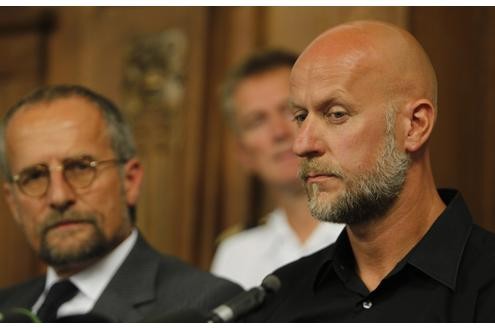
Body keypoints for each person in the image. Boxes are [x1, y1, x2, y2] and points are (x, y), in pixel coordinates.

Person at [244, 21, 495, 322]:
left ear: (415, 126)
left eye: (336, 114)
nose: (302, 144)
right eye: (300, 116)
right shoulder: (280, 298)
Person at [0, 85, 242, 322]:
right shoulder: (8, 306)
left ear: (130, 181)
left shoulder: (205, 306)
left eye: (81, 168)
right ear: (12, 202)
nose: (59, 197)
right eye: (34, 177)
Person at [210, 50, 344, 289]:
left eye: (290, 111)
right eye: (257, 121)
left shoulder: (369, 235)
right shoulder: (236, 255)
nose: (279, 132)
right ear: (243, 153)